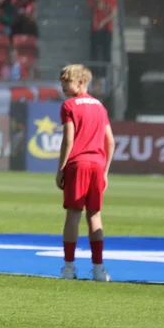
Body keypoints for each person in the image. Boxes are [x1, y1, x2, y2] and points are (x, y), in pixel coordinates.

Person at [57, 64, 115, 282]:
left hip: (78, 164)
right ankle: (99, 269)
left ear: (81, 82)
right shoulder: (100, 106)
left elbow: (68, 139)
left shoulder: (69, 105)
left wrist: (61, 168)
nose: (62, 85)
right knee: (95, 215)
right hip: (98, 165)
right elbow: (110, 141)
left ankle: (69, 267)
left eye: (66, 81)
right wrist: (105, 171)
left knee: (73, 213)